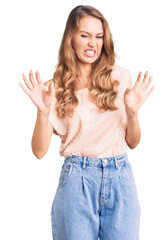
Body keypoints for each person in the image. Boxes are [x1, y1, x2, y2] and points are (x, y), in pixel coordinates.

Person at [19, 5, 155, 240]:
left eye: (99, 37)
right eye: (85, 35)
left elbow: (133, 142)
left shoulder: (120, 78)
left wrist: (132, 113)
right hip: (76, 182)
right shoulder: (54, 88)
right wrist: (43, 111)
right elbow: (39, 151)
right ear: (71, 38)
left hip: (120, 178)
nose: (93, 44)